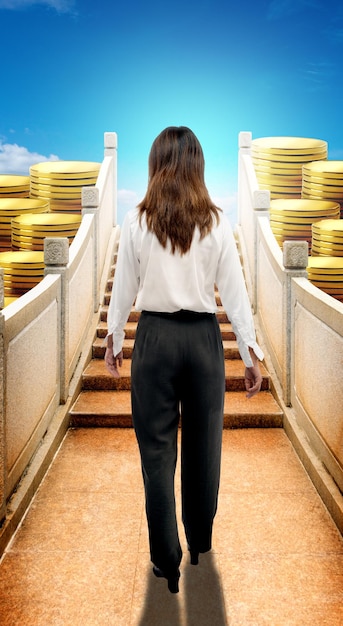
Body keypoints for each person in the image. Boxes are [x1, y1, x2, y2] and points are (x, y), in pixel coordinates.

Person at [105, 126, 263, 594]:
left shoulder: (137, 221)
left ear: (156, 164)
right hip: (202, 340)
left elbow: (124, 287)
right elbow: (234, 293)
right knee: (204, 446)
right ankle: (199, 541)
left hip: (154, 339)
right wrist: (250, 351)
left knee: (156, 453)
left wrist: (115, 338)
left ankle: (166, 560)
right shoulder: (216, 221)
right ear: (198, 165)